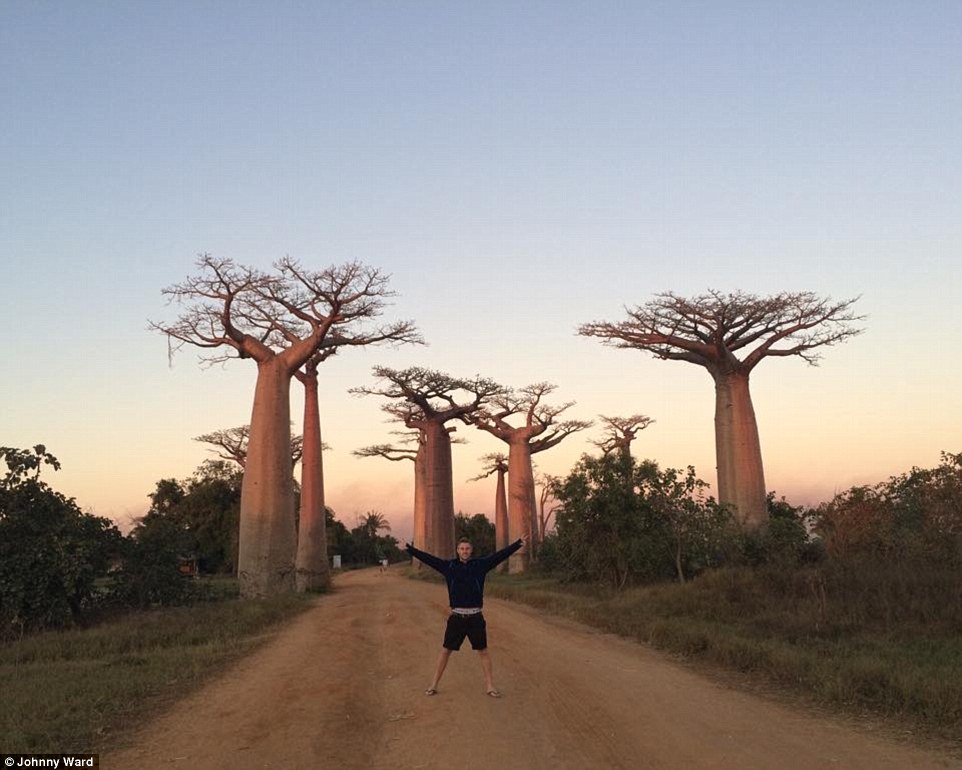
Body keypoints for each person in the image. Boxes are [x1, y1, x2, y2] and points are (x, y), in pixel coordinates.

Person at [405, 533, 527, 698]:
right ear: (457, 550)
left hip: (475, 617)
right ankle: (433, 684)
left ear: (471, 550)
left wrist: (518, 544)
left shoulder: (480, 565)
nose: (464, 551)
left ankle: (490, 686)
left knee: (483, 651)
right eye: (462, 549)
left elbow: (500, 556)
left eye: (467, 549)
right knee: (445, 651)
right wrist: (412, 551)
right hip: (457, 617)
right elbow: (429, 559)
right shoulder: (449, 566)